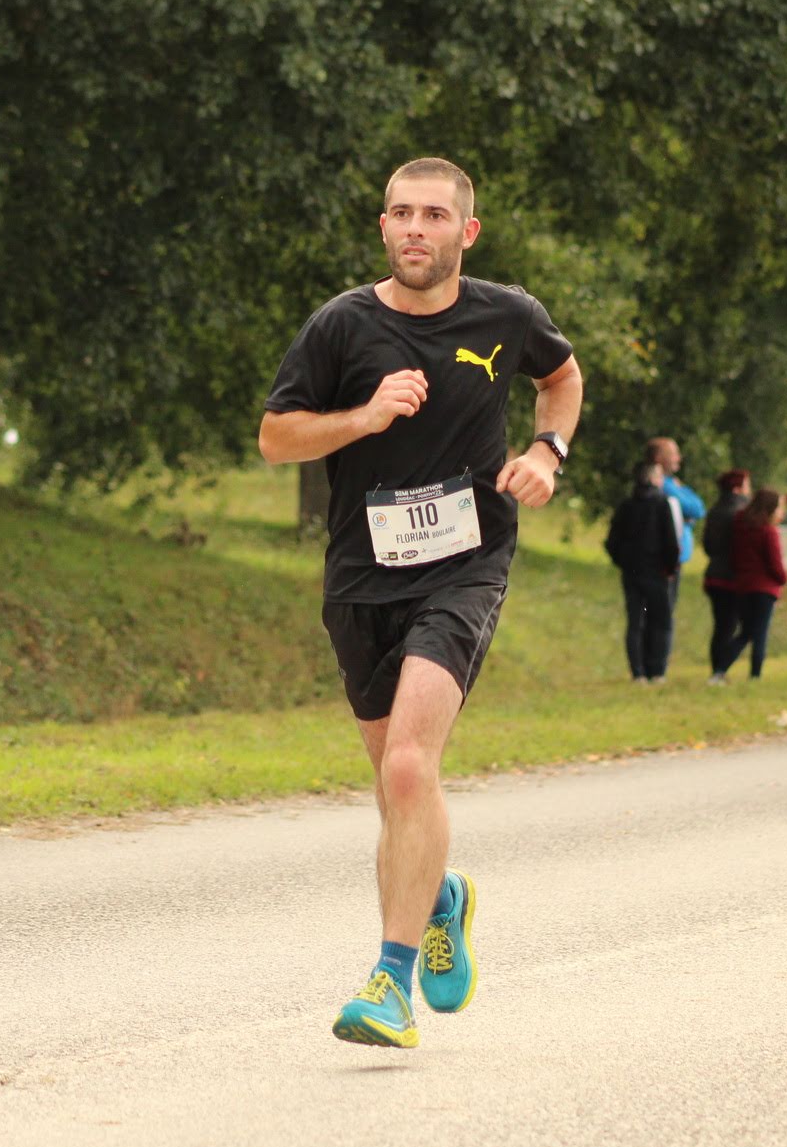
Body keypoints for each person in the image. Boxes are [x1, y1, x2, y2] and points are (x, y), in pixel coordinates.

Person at [259, 156, 582, 1050]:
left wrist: (547, 452)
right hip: (361, 578)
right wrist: (363, 418)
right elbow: (277, 437)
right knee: (395, 786)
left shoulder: (506, 315)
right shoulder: (341, 326)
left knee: (409, 769)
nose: (414, 229)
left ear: (465, 232)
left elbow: (562, 377)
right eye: (401, 213)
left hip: (463, 567)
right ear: (383, 226)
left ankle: (389, 987)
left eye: (434, 216)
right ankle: (440, 895)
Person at [605, 461, 681, 683]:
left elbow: (612, 541)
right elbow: (671, 541)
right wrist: (670, 567)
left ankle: (638, 671)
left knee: (635, 621)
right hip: (657, 571)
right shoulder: (662, 504)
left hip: (632, 571)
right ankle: (658, 670)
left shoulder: (627, 505)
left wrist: (623, 561)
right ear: (653, 479)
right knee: (661, 621)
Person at [718, 487, 787, 682]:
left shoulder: (740, 528)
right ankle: (755, 675)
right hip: (765, 588)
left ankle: (720, 669)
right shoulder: (769, 532)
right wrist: (782, 579)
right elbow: (775, 563)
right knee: (760, 633)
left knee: (746, 632)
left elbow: (734, 557)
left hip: (743, 586)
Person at [700, 468, 751, 682]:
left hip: (714, 575)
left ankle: (717, 669)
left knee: (721, 626)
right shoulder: (743, 513)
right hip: (733, 578)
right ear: (737, 488)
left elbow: (707, 545)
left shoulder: (714, 510)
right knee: (739, 626)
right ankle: (720, 670)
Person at [648, 437, 707, 587]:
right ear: (658, 458)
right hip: (666, 558)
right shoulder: (664, 486)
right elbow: (695, 509)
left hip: (671, 556)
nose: (678, 458)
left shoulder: (670, 484)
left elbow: (699, 508)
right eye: (673, 454)